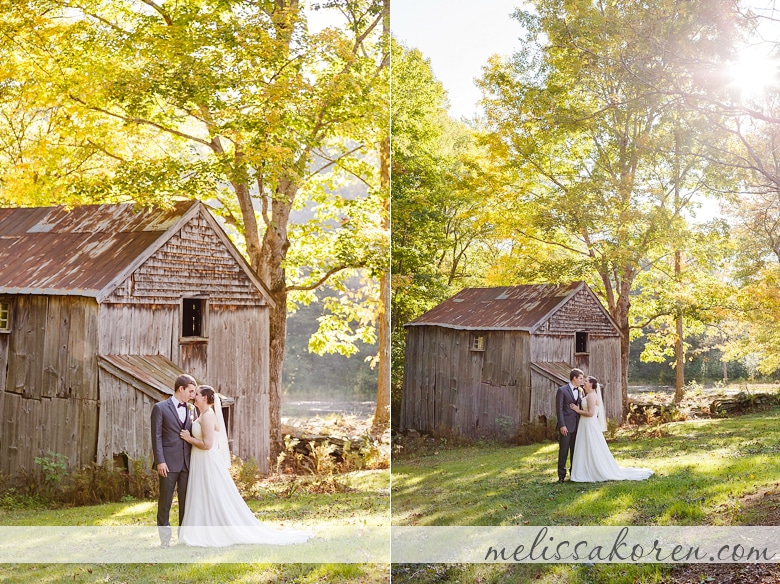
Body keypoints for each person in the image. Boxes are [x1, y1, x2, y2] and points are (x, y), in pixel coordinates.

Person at [178, 385, 312, 547]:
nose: (194, 397)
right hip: (200, 460)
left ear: (205, 398)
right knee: (202, 493)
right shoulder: (202, 414)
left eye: (197, 394)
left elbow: (207, 444)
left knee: (212, 492)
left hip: (206, 459)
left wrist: (188, 438)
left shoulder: (208, 416)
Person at [569, 376, 654, 482]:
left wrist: (578, 410)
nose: (584, 382)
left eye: (586, 381)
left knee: (591, 445)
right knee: (584, 445)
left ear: (591, 384)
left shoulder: (592, 396)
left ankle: (593, 470)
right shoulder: (587, 395)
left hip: (589, 424)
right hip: (584, 424)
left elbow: (591, 413)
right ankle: (584, 470)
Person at [151, 373, 198, 547]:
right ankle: (164, 541)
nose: (192, 395)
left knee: (186, 502)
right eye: (190, 391)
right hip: (168, 464)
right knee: (165, 502)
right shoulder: (160, 408)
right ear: (181, 389)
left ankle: (183, 538)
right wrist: (160, 461)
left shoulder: (191, 409)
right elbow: (156, 437)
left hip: (187, 463)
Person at [556, 368, 584, 483]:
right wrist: (562, 425)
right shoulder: (562, 390)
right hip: (566, 426)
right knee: (563, 451)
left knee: (575, 451)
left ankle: (574, 473)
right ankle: (561, 476)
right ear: (574, 378)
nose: (582, 381)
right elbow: (559, 409)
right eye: (581, 378)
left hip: (578, 425)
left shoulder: (580, 391)